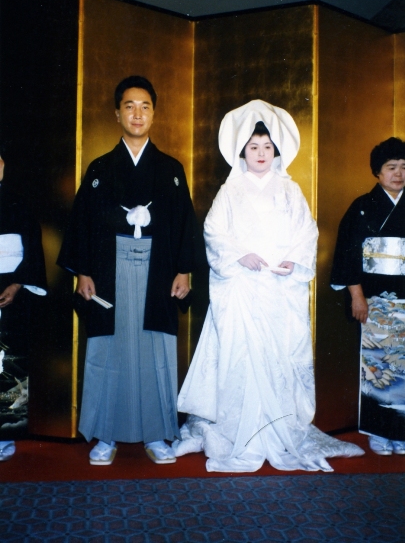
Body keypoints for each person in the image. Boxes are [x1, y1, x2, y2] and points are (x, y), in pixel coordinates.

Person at [173, 100, 363, 472]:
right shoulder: (230, 190)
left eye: (266, 147)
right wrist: (240, 255)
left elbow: (307, 232)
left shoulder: (290, 190)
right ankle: (235, 431)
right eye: (253, 147)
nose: (260, 153)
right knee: (240, 360)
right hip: (241, 289)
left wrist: (294, 260)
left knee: (278, 361)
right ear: (242, 151)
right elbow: (213, 232)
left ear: (276, 151)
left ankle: (279, 431)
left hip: (278, 289)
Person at [57, 76, 201, 465]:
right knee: (109, 350)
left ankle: (156, 434)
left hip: (158, 271)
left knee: (155, 349)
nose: (137, 114)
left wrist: (184, 270)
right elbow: (82, 224)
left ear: (154, 114)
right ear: (117, 114)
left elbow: (185, 225)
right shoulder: (100, 168)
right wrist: (83, 272)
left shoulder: (171, 169)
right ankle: (105, 435)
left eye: (145, 106)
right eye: (129, 106)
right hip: (109, 270)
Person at [331, 137, 405, 456]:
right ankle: (378, 431)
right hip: (377, 300)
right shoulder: (361, 207)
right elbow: (347, 255)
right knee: (378, 366)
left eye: (404, 167)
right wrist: (357, 296)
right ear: (377, 172)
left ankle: (401, 433)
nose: (399, 173)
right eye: (391, 167)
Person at [0, 149, 47, 461]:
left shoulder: (19, 202)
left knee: (10, 362)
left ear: (2, 165)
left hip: (11, 287)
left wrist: (17, 284)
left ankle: (6, 433)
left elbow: (32, 248)